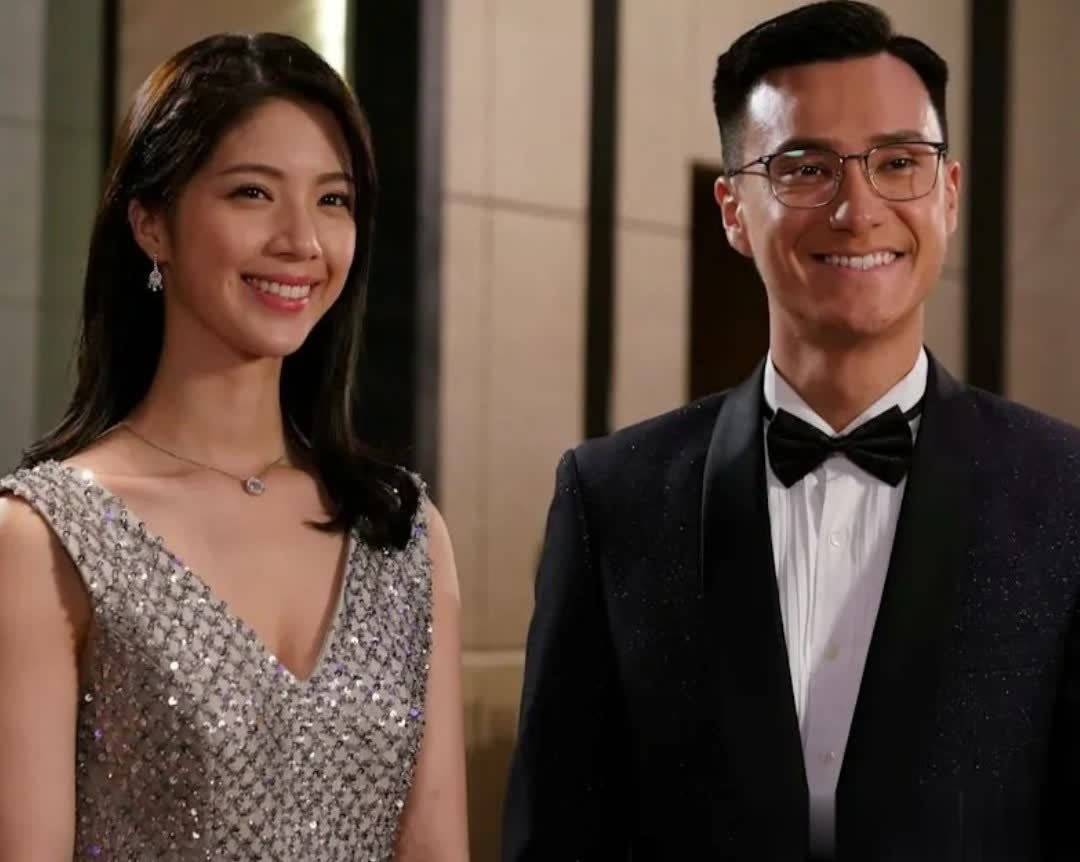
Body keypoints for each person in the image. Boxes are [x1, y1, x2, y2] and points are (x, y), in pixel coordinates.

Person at [503, 2, 1080, 859]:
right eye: (806, 169)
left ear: (949, 195)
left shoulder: (1065, 493)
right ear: (734, 210)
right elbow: (557, 832)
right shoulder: (611, 498)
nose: (858, 209)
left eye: (899, 163)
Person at [0, 33, 468, 861]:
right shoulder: (41, 539)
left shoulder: (402, 534)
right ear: (151, 223)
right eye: (253, 193)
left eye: (333, 200)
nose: (302, 241)